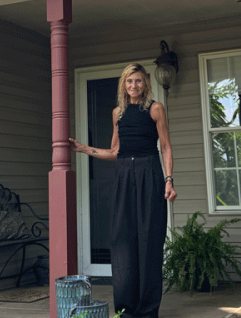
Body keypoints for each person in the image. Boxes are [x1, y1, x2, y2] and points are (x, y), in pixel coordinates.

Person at [69, 63, 176, 318]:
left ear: (145, 84)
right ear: (123, 85)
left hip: (149, 173)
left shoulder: (155, 109)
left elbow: (166, 147)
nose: (134, 86)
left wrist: (169, 179)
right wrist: (83, 149)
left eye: (138, 81)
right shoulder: (117, 113)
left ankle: (148, 311)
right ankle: (126, 312)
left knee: (149, 240)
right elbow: (115, 152)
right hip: (124, 176)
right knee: (122, 239)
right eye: (129, 81)